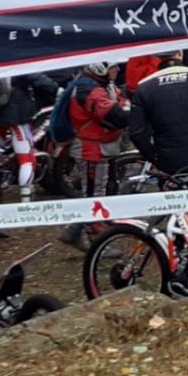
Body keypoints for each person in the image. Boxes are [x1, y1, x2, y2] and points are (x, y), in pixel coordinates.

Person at [60, 63, 129, 250]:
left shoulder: (102, 85)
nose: (118, 70)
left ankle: (73, 231)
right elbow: (115, 115)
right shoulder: (89, 90)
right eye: (114, 66)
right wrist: (133, 113)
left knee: (97, 192)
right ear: (101, 68)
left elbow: (121, 101)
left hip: (100, 147)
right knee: (94, 197)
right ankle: (97, 246)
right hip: (91, 149)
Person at [0, 75, 56, 202]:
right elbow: (34, 76)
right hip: (16, 114)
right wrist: (54, 88)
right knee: (26, 157)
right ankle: (26, 198)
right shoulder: (13, 63)